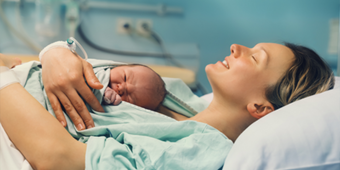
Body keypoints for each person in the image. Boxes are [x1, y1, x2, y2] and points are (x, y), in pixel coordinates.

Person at [0, 42, 334, 170]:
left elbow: (59, 159)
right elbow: (81, 68)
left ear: (260, 107)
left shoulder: (200, 151)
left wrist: (3, 78)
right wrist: (54, 52)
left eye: (255, 57)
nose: (236, 47)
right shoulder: (180, 99)